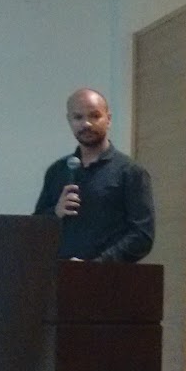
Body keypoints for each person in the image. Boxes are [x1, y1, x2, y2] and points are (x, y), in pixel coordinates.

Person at [33, 88, 155, 262]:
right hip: (60, 274)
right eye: (78, 117)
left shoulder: (130, 172)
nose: (86, 124)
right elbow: (35, 230)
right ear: (69, 121)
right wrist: (55, 212)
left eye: (95, 116)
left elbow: (142, 236)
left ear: (108, 119)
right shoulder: (57, 171)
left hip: (109, 275)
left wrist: (96, 265)